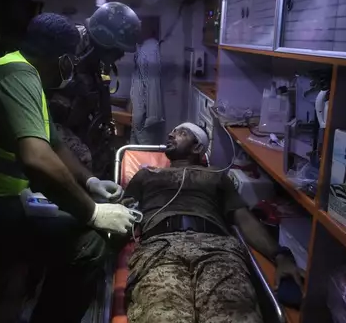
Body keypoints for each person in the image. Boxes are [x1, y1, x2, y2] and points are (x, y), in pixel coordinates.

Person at [0, 13, 134, 323]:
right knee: (93, 243)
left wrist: (91, 183)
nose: (71, 68)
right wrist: (93, 213)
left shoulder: (27, 77)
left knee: (77, 218)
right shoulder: (17, 77)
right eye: (70, 60)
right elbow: (37, 159)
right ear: (60, 58)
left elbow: (55, 145)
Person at [121, 122, 303, 323]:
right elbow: (123, 212)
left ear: (198, 148)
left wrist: (280, 256)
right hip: (159, 248)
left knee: (232, 315)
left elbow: (243, 218)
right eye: (172, 132)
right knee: (162, 315)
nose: (171, 135)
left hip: (216, 250)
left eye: (181, 133)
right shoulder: (146, 175)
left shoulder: (216, 177)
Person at [48, 2, 142, 180]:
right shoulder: (69, 46)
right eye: (118, 50)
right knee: (83, 158)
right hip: (49, 120)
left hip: (77, 119)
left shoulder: (95, 56)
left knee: (104, 157)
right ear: (104, 41)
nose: (121, 55)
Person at [130, 25, 165, 144]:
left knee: (145, 151)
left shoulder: (149, 50)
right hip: (139, 115)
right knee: (135, 150)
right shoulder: (143, 49)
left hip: (145, 118)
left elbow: (152, 87)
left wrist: (151, 117)